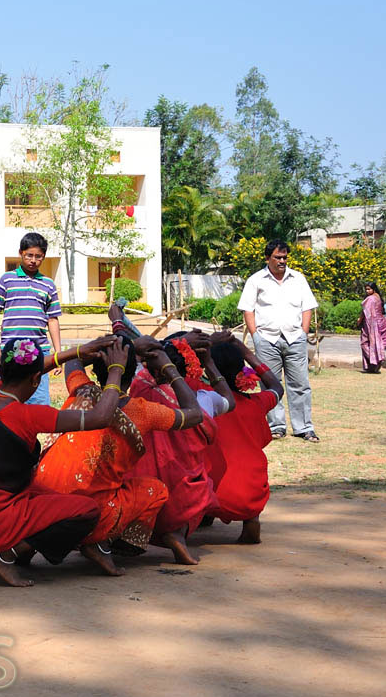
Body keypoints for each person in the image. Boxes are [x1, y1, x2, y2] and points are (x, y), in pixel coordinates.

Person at [0, 337, 127, 587]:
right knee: (86, 510)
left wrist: (77, 352)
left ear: (3, 371)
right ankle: (4, 554)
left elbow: (30, 371)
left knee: (44, 492)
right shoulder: (28, 416)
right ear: (36, 380)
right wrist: (116, 370)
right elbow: (101, 417)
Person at [36, 333, 204, 566]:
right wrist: (167, 366)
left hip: (41, 504)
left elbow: (73, 361)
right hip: (89, 516)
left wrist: (123, 348)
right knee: (156, 490)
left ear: (95, 370)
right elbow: (195, 415)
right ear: (134, 370)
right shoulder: (142, 412)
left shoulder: (80, 389)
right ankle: (100, 542)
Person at [128, 331, 224, 565]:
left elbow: (135, 356)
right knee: (205, 484)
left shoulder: (137, 387)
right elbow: (228, 398)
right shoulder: (203, 399)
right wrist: (210, 363)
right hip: (182, 500)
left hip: (138, 498)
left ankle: (113, 537)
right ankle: (177, 534)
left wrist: (164, 347)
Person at [203, 337, 285, 544]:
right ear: (242, 369)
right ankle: (251, 519)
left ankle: (203, 513)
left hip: (212, 492)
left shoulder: (203, 400)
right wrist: (247, 352)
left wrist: (202, 353)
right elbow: (277, 387)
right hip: (251, 493)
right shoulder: (257, 402)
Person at [237, 240, 319, 442]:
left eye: (284, 258)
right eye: (278, 258)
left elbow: (307, 306)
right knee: (270, 384)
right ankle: (276, 426)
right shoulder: (256, 280)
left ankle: (304, 428)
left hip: (294, 338)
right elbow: (249, 309)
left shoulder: (298, 279)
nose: (282, 261)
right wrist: (256, 335)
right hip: (267, 339)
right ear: (268, 258)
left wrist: (303, 332)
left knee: (300, 384)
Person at [0, 232, 63, 406]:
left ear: (43, 257)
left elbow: (53, 320)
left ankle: (32, 433)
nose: (33, 260)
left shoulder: (48, 284)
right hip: (10, 350)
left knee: (39, 400)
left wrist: (58, 355)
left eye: (39, 256)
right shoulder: (7, 279)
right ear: (21, 253)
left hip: (39, 352)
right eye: (29, 255)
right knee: (8, 400)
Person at [359, 282, 386, 374]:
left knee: (365, 343)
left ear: (374, 289)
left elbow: (366, 312)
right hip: (381, 322)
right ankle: (374, 364)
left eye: (369, 289)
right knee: (377, 343)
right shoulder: (378, 297)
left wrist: (360, 320)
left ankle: (374, 362)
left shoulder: (370, 299)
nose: (367, 291)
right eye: (366, 289)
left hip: (372, 323)